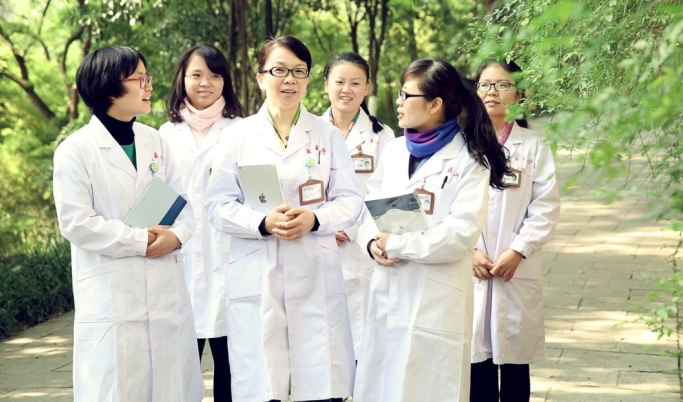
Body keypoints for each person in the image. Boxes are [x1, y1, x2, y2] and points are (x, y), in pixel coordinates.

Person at [205, 36, 362, 402]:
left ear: (308, 79)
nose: (289, 79)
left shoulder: (326, 135)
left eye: (298, 71)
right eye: (279, 70)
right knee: (264, 382)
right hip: (258, 269)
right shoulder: (237, 136)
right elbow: (217, 204)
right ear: (261, 77)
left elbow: (350, 199)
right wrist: (261, 223)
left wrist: (314, 219)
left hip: (314, 267)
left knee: (318, 383)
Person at [52, 45, 204, 401]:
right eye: (139, 79)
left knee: (171, 387)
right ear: (108, 87)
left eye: (147, 78)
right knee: (120, 389)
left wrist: (178, 237)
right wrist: (139, 240)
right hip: (112, 296)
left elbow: (183, 203)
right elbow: (76, 222)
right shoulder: (76, 150)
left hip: (165, 290)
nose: (148, 86)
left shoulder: (155, 140)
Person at [352, 59, 510, 402]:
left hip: (435, 299)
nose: (398, 102)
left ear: (435, 104)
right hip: (388, 289)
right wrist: (371, 245)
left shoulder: (469, 160)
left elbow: (460, 234)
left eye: (405, 95)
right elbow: (368, 207)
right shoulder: (394, 150)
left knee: (428, 388)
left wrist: (397, 245)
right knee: (381, 385)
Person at [470, 60, 561, 402]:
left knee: (514, 365)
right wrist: (468, 251)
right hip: (472, 265)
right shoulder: (461, 144)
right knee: (475, 363)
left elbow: (546, 206)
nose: (492, 92)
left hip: (515, 268)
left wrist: (518, 250)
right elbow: (447, 206)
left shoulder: (534, 145)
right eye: (485, 85)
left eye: (502, 85)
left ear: (519, 95)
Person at [159, 45, 245, 401]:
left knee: (232, 366)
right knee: (181, 367)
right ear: (182, 78)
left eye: (214, 75)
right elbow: (158, 196)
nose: (205, 83)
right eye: (196, 75)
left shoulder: (242, 130)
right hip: (181, 254)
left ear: (225, 81)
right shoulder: (164, 134)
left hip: (229, 254)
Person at [320, 52, 395, 358]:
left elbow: (386, 195)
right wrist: (325, 223)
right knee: (322, 340)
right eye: (339, 82)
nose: (346, 90)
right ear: (326, 84)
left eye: (355, 82)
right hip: (317, 240)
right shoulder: (308, 132)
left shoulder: (383, 136)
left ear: (366, 87)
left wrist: (350, 228)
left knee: (362, 339)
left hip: (362, 249)